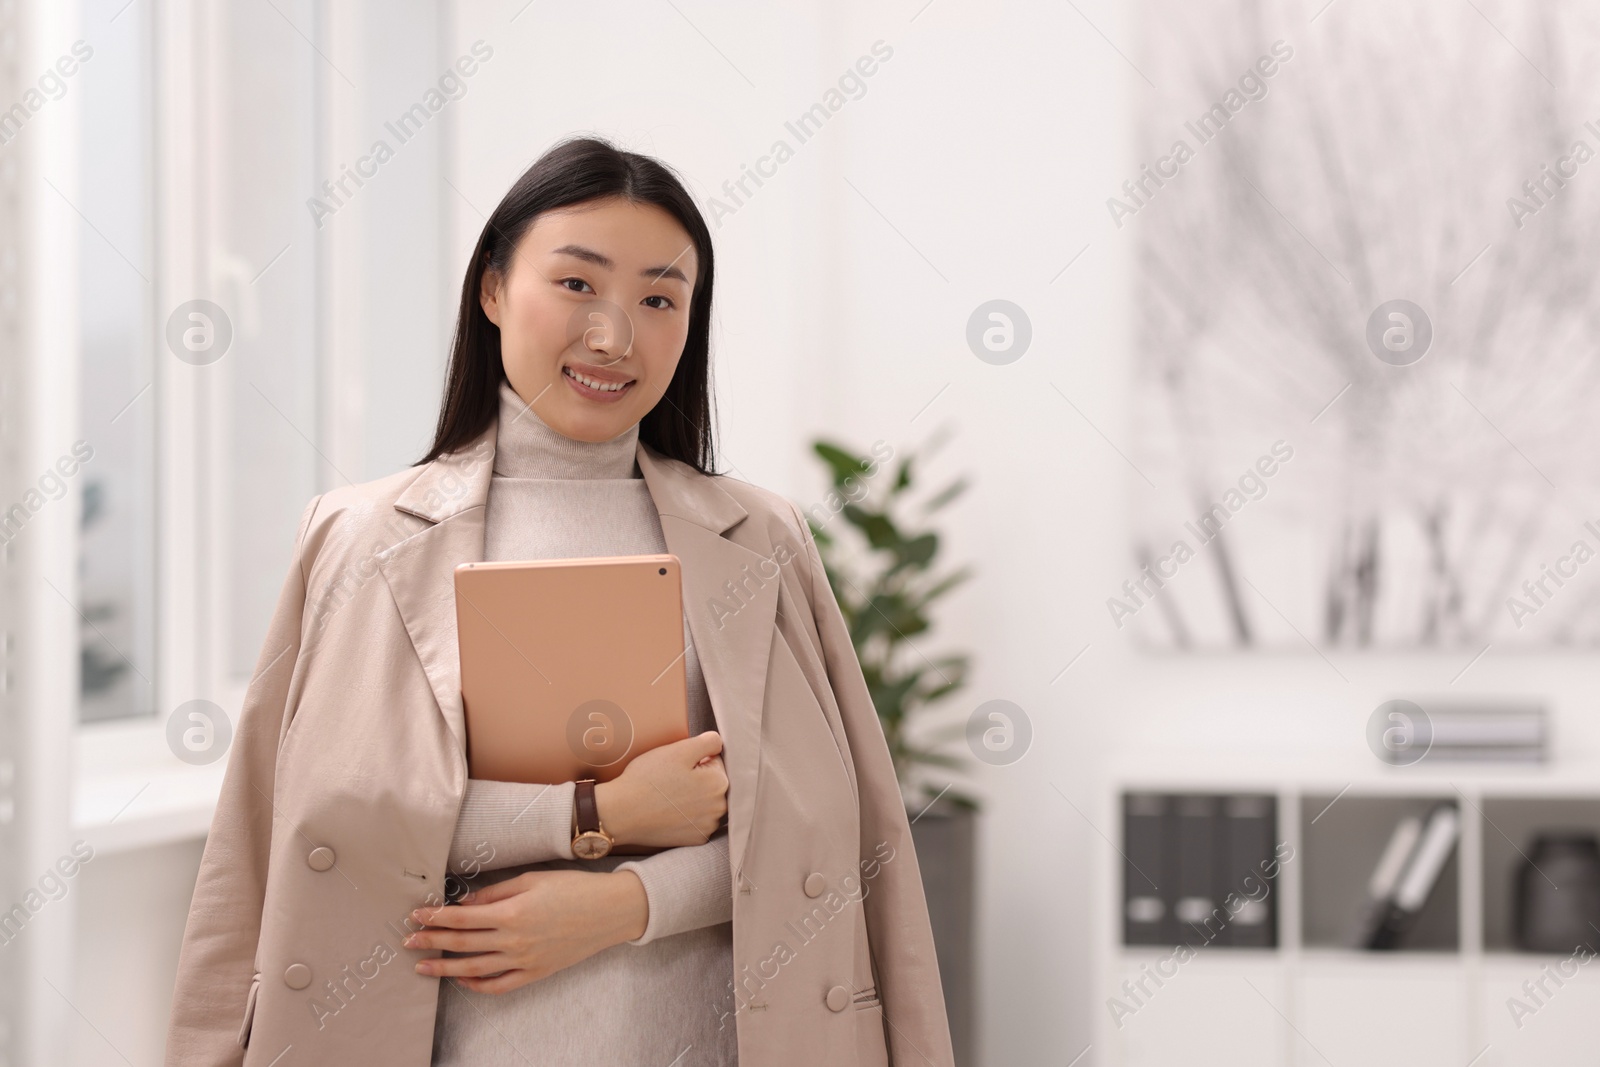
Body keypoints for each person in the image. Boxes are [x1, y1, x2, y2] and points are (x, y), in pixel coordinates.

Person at [164, 135, 953, 1067]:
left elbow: (822, 838)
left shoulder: (762, 540)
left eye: (659, 299)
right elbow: (306, 829)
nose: (614, 336)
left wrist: (623, 906)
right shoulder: (360, 538)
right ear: (493, 290)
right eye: (577, 284)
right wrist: (601, 816)